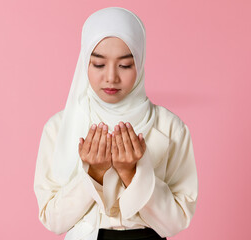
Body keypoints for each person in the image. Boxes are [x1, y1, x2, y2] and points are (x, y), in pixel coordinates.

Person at [34, 6, 198, 240]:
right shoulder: (59, 127)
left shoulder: (170, 127)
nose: (111, 77)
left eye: (125, 65)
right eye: (98, 64)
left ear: (140, 64)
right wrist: (95, 175)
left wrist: (133, 174)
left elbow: (177, 221)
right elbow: (53, 220)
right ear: (84, 64)